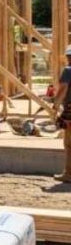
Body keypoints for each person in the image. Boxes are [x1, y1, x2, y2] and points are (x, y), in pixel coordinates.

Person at [55, 46, 71, 182]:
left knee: (69, 144)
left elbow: (63, 88)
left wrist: (55, 104)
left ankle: (69, 174)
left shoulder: (68, 71)